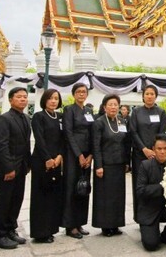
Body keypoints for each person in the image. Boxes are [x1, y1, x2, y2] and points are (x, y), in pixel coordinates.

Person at [0, 87, 32, 249]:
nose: (22, 99)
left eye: (25, 97)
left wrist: (28, 164)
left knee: (17, 199)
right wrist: (8, 168)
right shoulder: (4, 119)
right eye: (19, 97)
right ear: (10, 100)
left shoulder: (25, 118)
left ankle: (10, 230)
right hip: (8, 168)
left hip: (21, 167)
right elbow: (2, 145)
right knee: (4, 201)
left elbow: (26, 144)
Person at [92, 94, 131, 237]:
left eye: (116, 104)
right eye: (110, 104)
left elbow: (126, 143)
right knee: (105, 197)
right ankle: (105, 226)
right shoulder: (99, 122)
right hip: (105, 165)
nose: (113, 107)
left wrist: (127, 162)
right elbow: (95, 145)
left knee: (117, 197)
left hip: (119, 165)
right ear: (104, 107)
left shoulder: (122, 121)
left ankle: (115, 224)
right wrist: (98, 165)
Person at [136, 134, 166, 251]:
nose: (162, 152)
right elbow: (140, 190)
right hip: (149, 209)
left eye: (165, 148)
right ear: (153, 149)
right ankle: (150, 232)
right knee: (151, 245)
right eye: (159, 149)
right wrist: (164, 187)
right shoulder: (145, 165)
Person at [30, 89, 65, 244]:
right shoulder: (39, 116)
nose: (53, 101)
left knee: (53, 196)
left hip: (57, 161)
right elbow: (39, 139)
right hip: (41, 161)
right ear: (45, 100)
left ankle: (51, 229)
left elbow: (63, 139)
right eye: (50, 98)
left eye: (56, 98)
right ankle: (40, 232)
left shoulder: (61, 117)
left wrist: (59, 156)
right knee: (41, 196)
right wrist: (47, 158)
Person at [129, 85, 166, 222]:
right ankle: (140, 218)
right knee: (140, 186)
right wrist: (144, 148)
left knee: (156, 185)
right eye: (147, 93)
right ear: (143, 96)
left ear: (156, 96)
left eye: (152, 94)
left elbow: (162, 133)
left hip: (157, 155)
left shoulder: (161, 112)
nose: (150, 96)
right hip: (140, 155)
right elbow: (133, 132)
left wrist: (155, 150)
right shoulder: (136, 112)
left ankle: (156, 216)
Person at [61, 83, 94, 239]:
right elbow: (68, 133)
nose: (82, 94)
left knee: (83, 188)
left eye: (84, 92)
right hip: (73, 155)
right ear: (74, 94)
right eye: (79, 92)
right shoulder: (69, 110)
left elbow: (92, 132)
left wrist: (90, 155)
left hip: (87, 156)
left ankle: (80, 223)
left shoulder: (88, 110)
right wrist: (79, 155)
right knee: (72, 188)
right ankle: (70, 225)